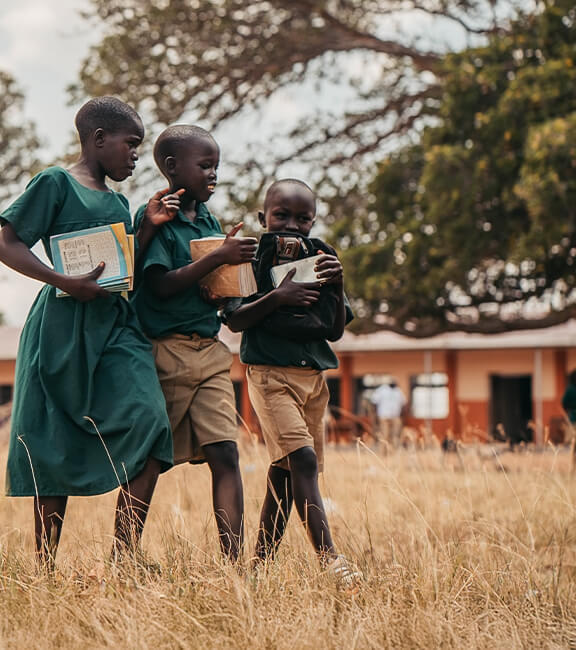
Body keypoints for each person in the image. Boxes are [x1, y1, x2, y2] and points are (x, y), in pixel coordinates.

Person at [0, 96, 183, 569]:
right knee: (53, 437)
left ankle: (125, 556)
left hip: (115, 326)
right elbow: (5, 244)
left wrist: (148, 229)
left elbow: (117, 265)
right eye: (131, 144)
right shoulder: (55, 182)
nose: (136, 155)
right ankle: (44, 567)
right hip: (59, 327)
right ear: (99, 139)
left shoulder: (120, 201)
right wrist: (63, 281)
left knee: (152, 422)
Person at [130, 124, 257, 562]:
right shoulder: (154, 220)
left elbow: (207, 285)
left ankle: (235, 565)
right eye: (205, 166)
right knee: (151, 458)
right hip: (164, 353)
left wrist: (222, 279)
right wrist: (219, 258)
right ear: (171, 167)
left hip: (209, 350)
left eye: (216, 167)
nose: (213, 175)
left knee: (226, 452)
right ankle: (124, 555)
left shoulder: (207, 221)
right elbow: (159, 287)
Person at [224, 179, 358, 588]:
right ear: (264, 218)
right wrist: (278, 297)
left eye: (303, 218)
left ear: (314, 221)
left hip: (314, 380)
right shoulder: (250, 259)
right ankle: (330, 560)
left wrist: (336, 284)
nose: (292, 225)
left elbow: (333, 332)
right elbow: (235, 318)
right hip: (270, 376)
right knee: (303, 462)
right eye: (281, 215)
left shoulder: (321, 258)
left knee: (285, 472)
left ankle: (259, 568)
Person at [367, 381, 405, 449]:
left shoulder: (398, 391)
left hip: (395, 416)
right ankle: (383, 452)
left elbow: (403, 403)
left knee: (395, 435)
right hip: (384, 416)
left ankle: (392, 451)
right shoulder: (381, 390)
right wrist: (375, 416)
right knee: (384, 435)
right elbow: (374, 402)